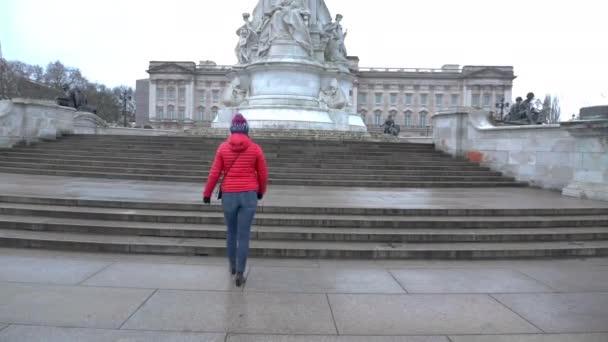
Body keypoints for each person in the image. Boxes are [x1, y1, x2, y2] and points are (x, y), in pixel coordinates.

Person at [202, 114, 268, 287]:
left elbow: (214, 173)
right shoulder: (255, 148)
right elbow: (263, 174)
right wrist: (261, 191)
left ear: (231, 130)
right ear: (246, 130)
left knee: (231, 232)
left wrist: (207, 193)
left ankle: (232, 267)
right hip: (249, 194)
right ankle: (240, 272)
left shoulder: (223, 148)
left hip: (229, 194)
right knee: (244, 235)